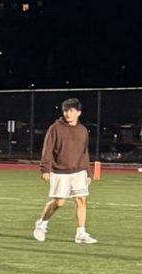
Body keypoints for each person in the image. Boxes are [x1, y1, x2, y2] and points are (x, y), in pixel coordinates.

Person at [36, 98, 97, 244]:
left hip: (78, 171)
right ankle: (42, 223)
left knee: (81, 200)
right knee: (59, 202)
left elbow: (84, 152)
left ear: (78, 113)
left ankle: (81, 233)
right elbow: (48, 149)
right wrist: (45, 168)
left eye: (71, 111)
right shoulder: (55, 128)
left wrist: (87, 171)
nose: (68, 114)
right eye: (65, 111)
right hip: (60, 171)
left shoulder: (82, 130)